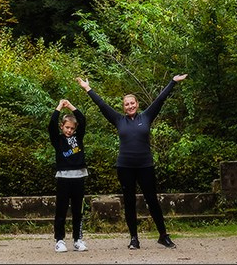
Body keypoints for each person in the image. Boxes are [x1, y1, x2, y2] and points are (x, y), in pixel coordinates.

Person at [77, 73, 188, 250]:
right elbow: (102, 105)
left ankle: (163, 236)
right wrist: (87, 88)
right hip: (125, 166)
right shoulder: (118, 120)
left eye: (132, 103)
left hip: (145, 166)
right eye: (126, 104)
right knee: (129, 202)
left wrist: (172, 82)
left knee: (152, 200)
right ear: (124, 107)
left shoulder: (146, 117)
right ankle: (134, 239)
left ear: (137, 104)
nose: (130, 106)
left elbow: (160, 100)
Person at [48, 98, 88, 253]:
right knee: (61, 210)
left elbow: (82, 119)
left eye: (72, 128)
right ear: (62, 126)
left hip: (79, 178)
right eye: (66, 127)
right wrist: (59, 107)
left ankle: (78, 239)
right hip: (64, 178)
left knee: (78, 211)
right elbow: (51, 125)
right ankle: (59, 240)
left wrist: (70, 106)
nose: (69, 130)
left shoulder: (78, 138)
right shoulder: (57, 140)